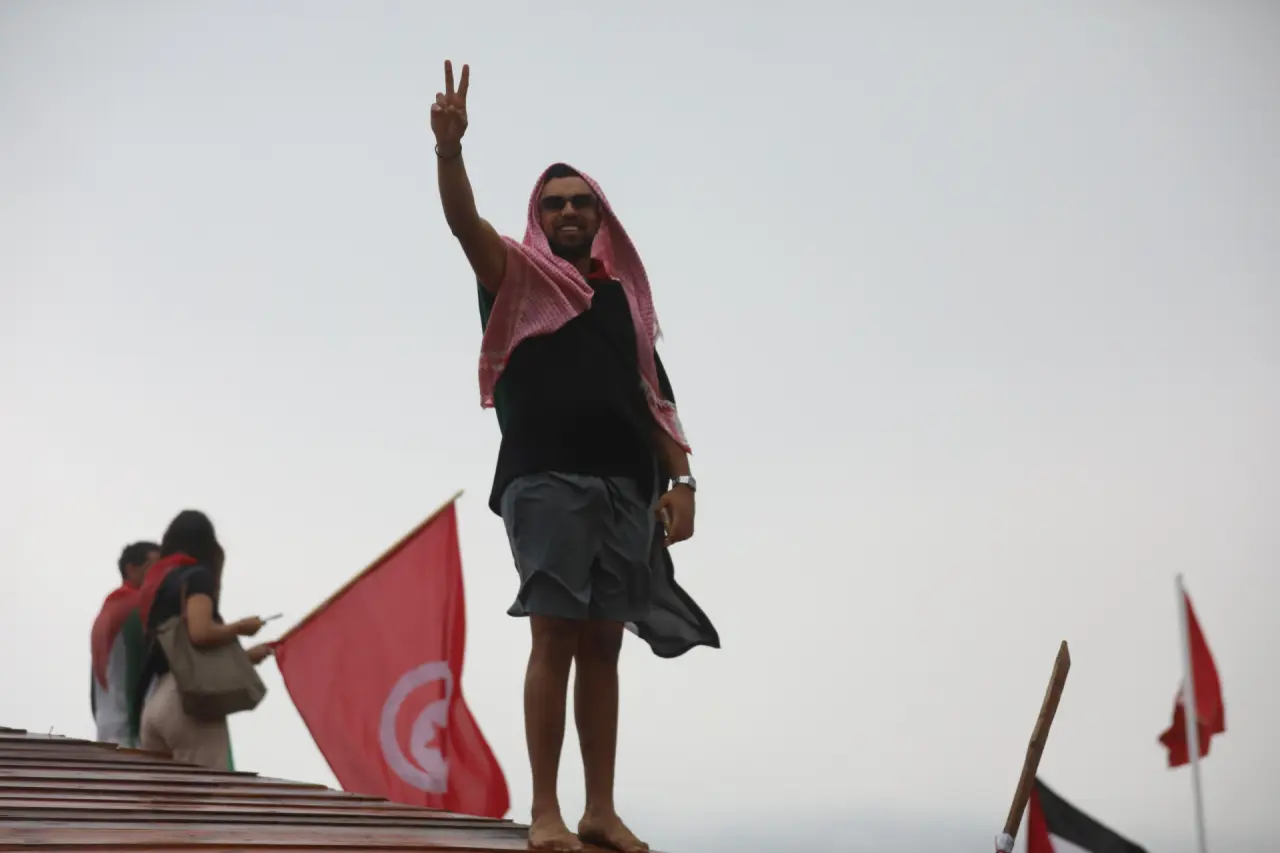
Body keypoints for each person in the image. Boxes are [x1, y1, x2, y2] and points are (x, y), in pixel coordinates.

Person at [432, 60, 718, 852]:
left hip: (626, 487)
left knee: (605, 641)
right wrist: (450, 152)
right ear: (538, 215)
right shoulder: (517, 276)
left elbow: (655, 397)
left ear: (599, 215)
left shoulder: (625, 300)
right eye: (553, 202)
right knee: (553, 634)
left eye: (579, 201)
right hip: (546, 479)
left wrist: (683, 481)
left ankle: (599, 808)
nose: (566, 211)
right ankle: (545, 809)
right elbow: (463, 224)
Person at [134, 510, 271, 769]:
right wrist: (241, 627)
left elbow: (181, 651)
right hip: (186, 705)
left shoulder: (158, 584)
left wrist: (246, 658)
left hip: (153, 705)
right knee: (211, 790)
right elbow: (200, 632)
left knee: (161, 794)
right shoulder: (197, 577)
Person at [90, 540, 160, 747]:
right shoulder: (135, 607)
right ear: (131, 569)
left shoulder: (109, 609)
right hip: (132, 726)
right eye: (154, 567)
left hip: (107, 722)